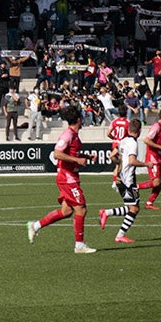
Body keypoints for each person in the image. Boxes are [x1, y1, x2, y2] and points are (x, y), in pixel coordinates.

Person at [27, 105, 98, 254]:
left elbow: (72, 153)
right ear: (79, 120)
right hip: (67, 178)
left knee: (66, 211)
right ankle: (79, 246)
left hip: (70, 177)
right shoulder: (68, 135)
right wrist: (77, 161)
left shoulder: (74, 135)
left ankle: (36, 226)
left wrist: (86, 157)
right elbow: (57, 153)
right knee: (81, 209)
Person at [99, 118, 152, 243]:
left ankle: (106, 213)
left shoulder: (123, 141)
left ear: (128, 129)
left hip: (121, 177)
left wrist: (120, 164)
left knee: (132, 207)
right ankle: (119, 235)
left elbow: (112, 156)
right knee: (134, 209)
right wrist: (146, 164)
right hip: (128, 180)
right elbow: (132, 161)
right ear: (139, 131)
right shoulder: (133, 143)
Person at [106, 105, 131, 186]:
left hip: (115, 143)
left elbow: (108, 133)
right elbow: (130, 134)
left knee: (118, 165)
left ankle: (115, 182)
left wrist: (114, 138)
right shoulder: (128, 122)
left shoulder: (114, 121)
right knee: (123, 165)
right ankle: (121, 181)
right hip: (123, 145)